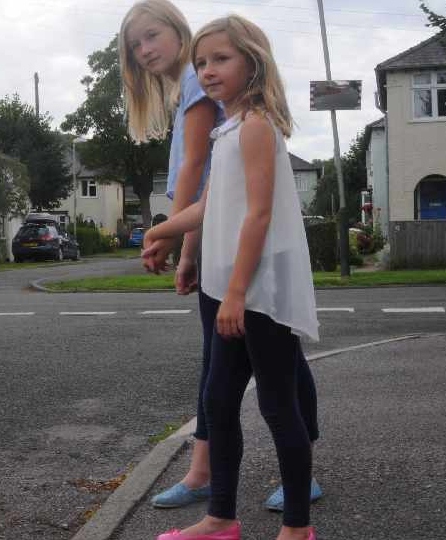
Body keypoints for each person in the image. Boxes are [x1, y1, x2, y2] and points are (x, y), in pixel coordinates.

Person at [119, 0, 322, 512]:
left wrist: (211, 274)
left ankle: (294, 513)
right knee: (227, 392)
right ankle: (221, 511)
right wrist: (167, 232)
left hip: (246, 276)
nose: (206, 70)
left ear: (251, 63)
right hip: (229, 268)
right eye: (202, 63)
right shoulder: (228, 124)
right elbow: (211, 198)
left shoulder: (246, 121)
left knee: (275, 397)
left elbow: (240, 207)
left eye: (219, 60)